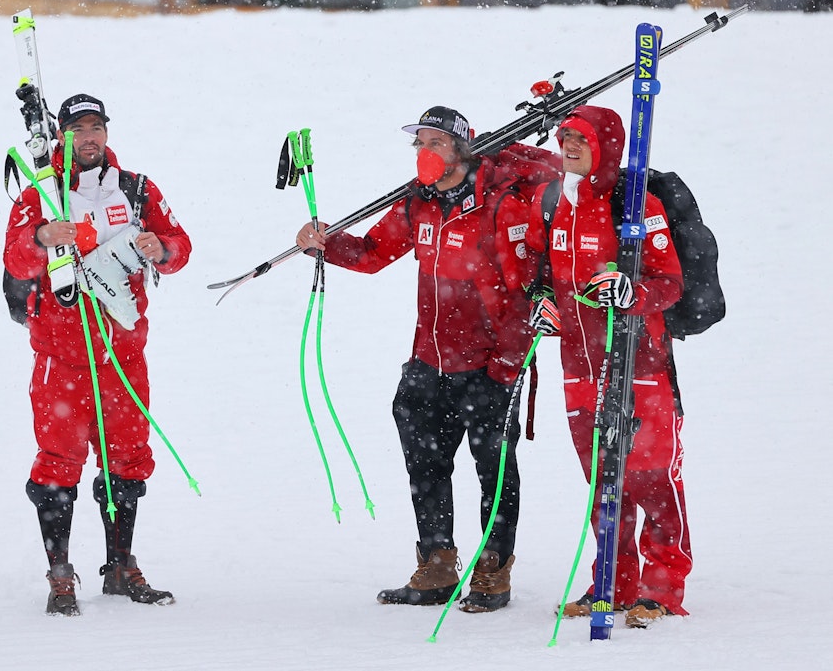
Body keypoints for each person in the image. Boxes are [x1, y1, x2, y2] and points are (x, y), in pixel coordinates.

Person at [295, 107, 560, 612]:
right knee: (425, 463)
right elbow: (374, 253)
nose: (425, 153)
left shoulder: (500, 199)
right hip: (428, 359)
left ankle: (493, 569)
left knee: (494, 469)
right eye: (419, 144)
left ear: (463, 146)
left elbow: (527, 271)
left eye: (436, 142)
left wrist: (508, 362)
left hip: (491, 362)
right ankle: (437, 561)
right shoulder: (420, 204)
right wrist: (326, 246)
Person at [3, 93, 192, 616]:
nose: (89, 137)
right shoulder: (40, 192)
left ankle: (121, 565)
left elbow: (181, 245)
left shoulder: (135, 188)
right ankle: (60, 572)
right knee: (59, 461)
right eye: (78, 128)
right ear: (61, 136)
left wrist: (162, 249)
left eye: (96, 127)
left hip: (123, 354)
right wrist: (42, 236)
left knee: (128, 459)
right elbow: (15, 259)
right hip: (61, 357)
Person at [523, 105, 692, 628]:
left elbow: (670, 283)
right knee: (603, 479)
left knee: (653, 479)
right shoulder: (551, 200)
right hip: (578, 366)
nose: (568, 143)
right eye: (563, 135)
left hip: (639, 363)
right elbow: (537, 269)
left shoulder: (638, 203)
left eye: (581, 137)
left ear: (607, 145)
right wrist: (541, 301)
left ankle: (662, 587)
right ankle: (612, 584)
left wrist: (631, 291)